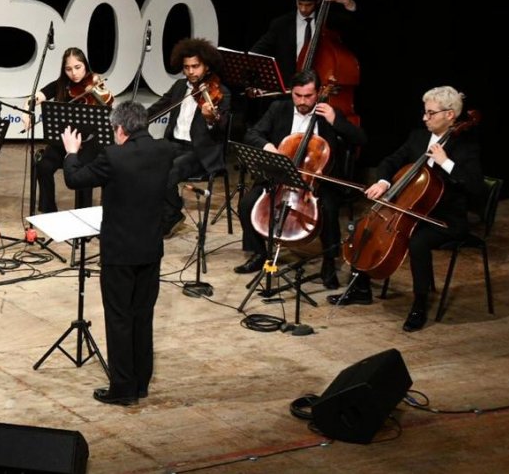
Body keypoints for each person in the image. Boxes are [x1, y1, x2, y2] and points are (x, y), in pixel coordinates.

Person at [329, 86, 485, 332]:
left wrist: (446, 162)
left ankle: (419, 305)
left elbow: (476, 187)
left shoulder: (465, 147)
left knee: (417, 242)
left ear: (450, 115)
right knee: (366, 224)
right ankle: (361, 288)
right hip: (411, 210)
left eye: (431, 113)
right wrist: (383, 182)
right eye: (425, 112)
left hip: (444, 219)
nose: (425, 118)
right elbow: (391, 161)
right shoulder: (418, 137)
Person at [61, 101, 176, 405]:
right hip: (150, 249)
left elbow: (74, 179)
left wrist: (71, 151)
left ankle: (123, 388)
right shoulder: (164, 150)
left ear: (120, 129)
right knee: (142, 316)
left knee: (119, 319)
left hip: (120, 252)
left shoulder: (113, 156)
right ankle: (141, 383)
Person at [233, 70, 366, 288]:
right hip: (281, 176)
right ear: (291, 92)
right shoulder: (279, 109)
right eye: (297, 95)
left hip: (316, 181)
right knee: (247, 204)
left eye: (308, 96)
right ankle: (259, 253)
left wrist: (335, 121)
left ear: (318, 93)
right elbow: (252, 134)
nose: (302, 101)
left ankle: (329, 262)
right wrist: (269, 148)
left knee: (330, 210)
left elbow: (360, 139)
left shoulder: (329, 114)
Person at [145, 38, 230, 238]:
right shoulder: (179, 87)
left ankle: (172, 214)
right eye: (186, 67)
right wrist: (134, 121)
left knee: (168, 173)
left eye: (195, 66)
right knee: (146, 163)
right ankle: (155, 213)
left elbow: (222, 131)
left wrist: (211, 120)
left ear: (206, 66)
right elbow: (157, 108)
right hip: (173, 144)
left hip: (199, 152)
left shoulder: (221, 92)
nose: (191, 72)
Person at [31, 47, 109, 214]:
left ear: (85, 66)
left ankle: (83, 215)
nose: (74, 73)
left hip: (88, 143)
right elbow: (39, 96)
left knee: (84, 172)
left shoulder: (94, 82)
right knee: (43, 166)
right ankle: (48, 210)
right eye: (68, 69)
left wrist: (97, 92)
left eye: (78, 67)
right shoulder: (61, 85)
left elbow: (108, 103)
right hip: (64, 142)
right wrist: (27, 109)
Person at [250, 0, 357, 92]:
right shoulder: (281, 24)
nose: (303, 9)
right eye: (300, 3)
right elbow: (258, 50)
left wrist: (347, 1)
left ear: (318, 1)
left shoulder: (330, 22)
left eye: (308, 5)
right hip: (289, 92)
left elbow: (356, 24)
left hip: (320, 91)